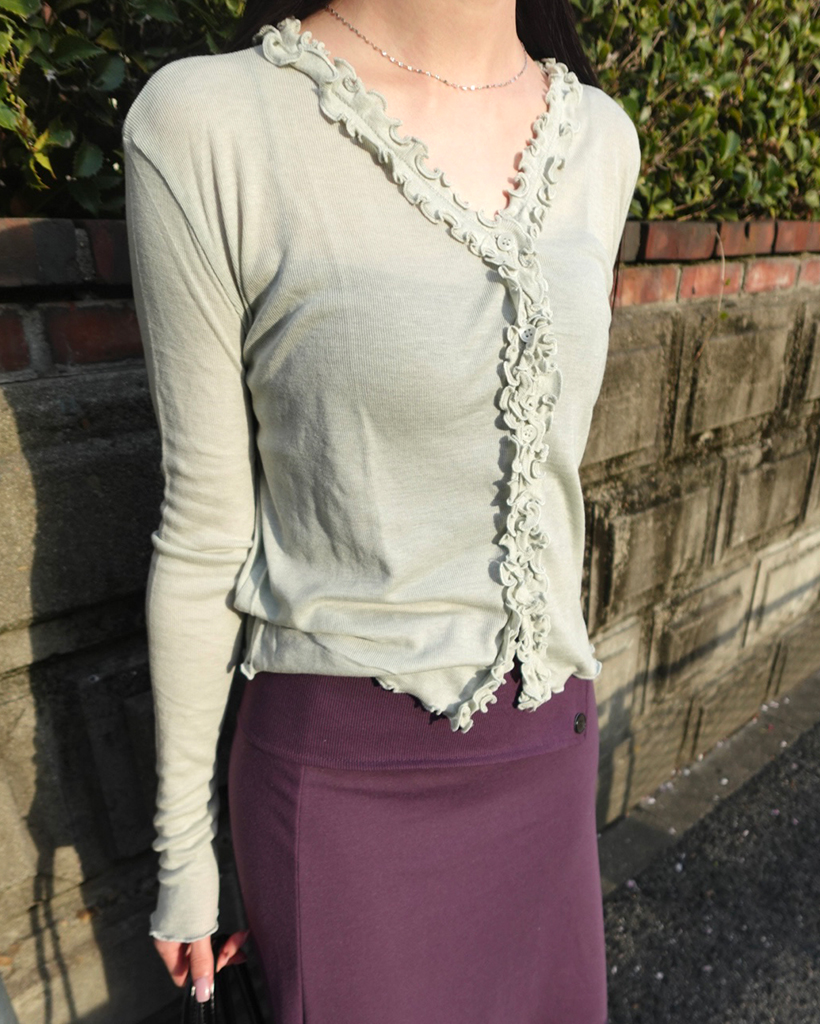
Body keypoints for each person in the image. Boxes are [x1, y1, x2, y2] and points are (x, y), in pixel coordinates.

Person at [122, 0, 641, 1020]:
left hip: (546, 750)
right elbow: (203, 528)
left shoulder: (600, 138)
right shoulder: (210, 123)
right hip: (343, 788)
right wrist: (184, 849)